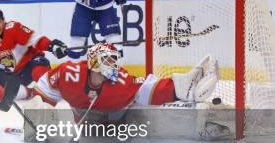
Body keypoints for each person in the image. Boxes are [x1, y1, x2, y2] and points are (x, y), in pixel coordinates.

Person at [32, 43, 219, 124]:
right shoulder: (69, 73)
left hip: (120, 123)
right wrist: (39, 109)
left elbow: (146, 88)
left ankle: (194, 117)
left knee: (147, 117)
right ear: (94, 62)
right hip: (90, 129)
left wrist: (179, 88)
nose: (112, 65)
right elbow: (46, 85)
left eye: (114, 60)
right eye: (107, 60)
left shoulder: (120, 82)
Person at [0, 6, 68, 101]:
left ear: (3, 20)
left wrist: (51, 46)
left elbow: (34, 39)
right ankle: (31, 92)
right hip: (17, 75)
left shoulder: (13, 28)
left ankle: (61, 87)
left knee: (39, 72)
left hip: (33, 63)